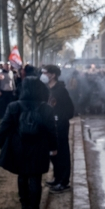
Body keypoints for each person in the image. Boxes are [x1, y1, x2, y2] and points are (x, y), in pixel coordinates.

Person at [0, 77, 57, 209]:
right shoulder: (46, 108)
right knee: (35, 178)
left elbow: (2, 129)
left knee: (22, 174)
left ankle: (24, 202)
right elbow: (52, 131)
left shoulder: (13, 106)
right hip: (39, 146)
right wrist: (53, 148)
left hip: (19, 145)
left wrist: (4, 146)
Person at [41, 65, 75, 193]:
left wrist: (60, 119)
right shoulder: (46, 89)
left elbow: (70, 110)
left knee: (62, 153)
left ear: (53, 75)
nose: (43, 74)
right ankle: (57, 177)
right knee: (53, 153)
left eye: (45, 72)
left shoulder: (61, 90)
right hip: (49, 126)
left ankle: (64, 181)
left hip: (59, 126)